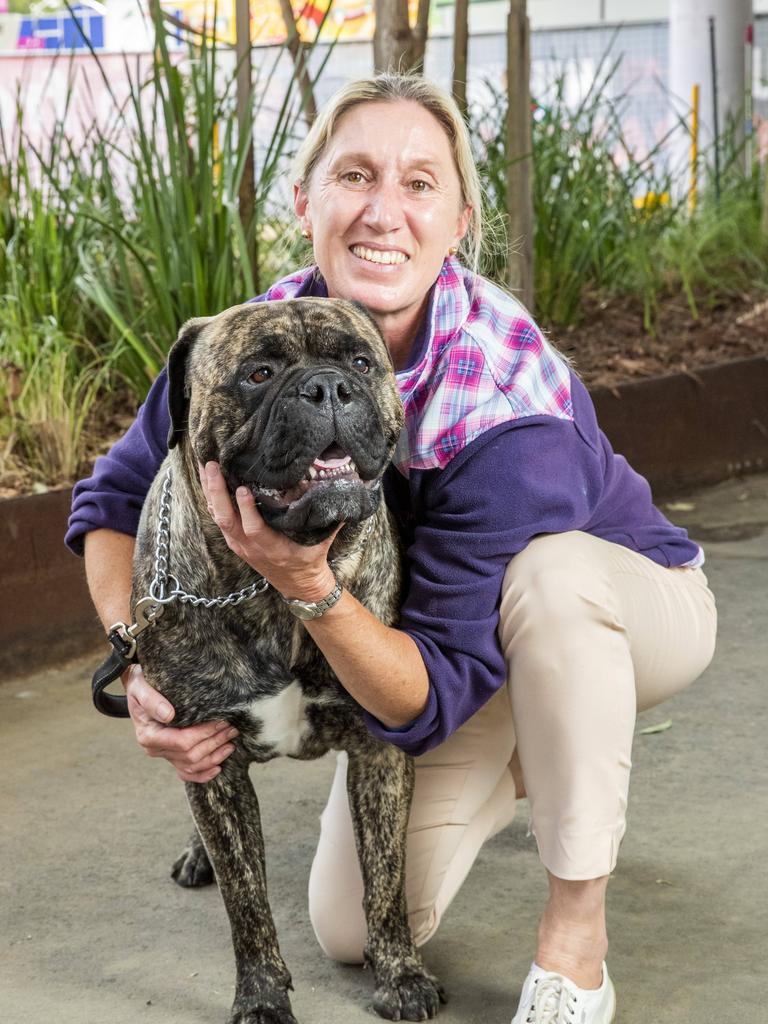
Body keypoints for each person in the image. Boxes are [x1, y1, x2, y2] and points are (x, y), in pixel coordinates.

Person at [67, 73, 717, 1024]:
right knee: (348, 930)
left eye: (419, 184)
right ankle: (528, 747)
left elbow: (419, 700)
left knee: (553, 577)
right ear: (307, 201)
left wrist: (306, 586)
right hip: (447, 649)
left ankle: (576, 933)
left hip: (626, 610)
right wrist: (136, 660)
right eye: (356, 175)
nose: (384, 210)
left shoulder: (506, 410)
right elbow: (113, 499)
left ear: (458, 220)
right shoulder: (239, 342)